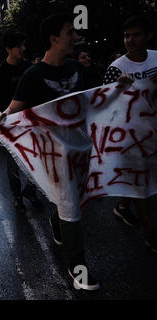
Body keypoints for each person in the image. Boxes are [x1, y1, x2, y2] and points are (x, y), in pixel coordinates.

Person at [0, 13, 99, 291]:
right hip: (55, 156)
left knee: (78, 201)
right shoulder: (33, 75)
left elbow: (95, 98)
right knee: (70, 206)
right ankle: (79, 270)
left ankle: (55, 222)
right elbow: (13, 109)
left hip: (82, 149)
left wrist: (120, 89)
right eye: (70, 32)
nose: (76, 37)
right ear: (54, 39)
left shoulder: (77, 67)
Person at [103, 15, 157, 253]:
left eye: (136, 35)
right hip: (131, 136)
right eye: (127, 35)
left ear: (148, 36)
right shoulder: (116, 69)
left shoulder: (156, 58)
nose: (130, 40)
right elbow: (104, 103)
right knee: (140, 183)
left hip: (153, 130)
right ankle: (150, 233)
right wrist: (119, 90)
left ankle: (123, 207)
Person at [0, 30, 37, 215]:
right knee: (13, 163)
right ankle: (17, 197)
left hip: (30, 124)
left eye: (24, 45)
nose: (23, 48)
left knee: (35, 161)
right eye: (18, 46)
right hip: (7, 126)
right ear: (8, 49)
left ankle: (31, 192)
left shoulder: (29, 67)